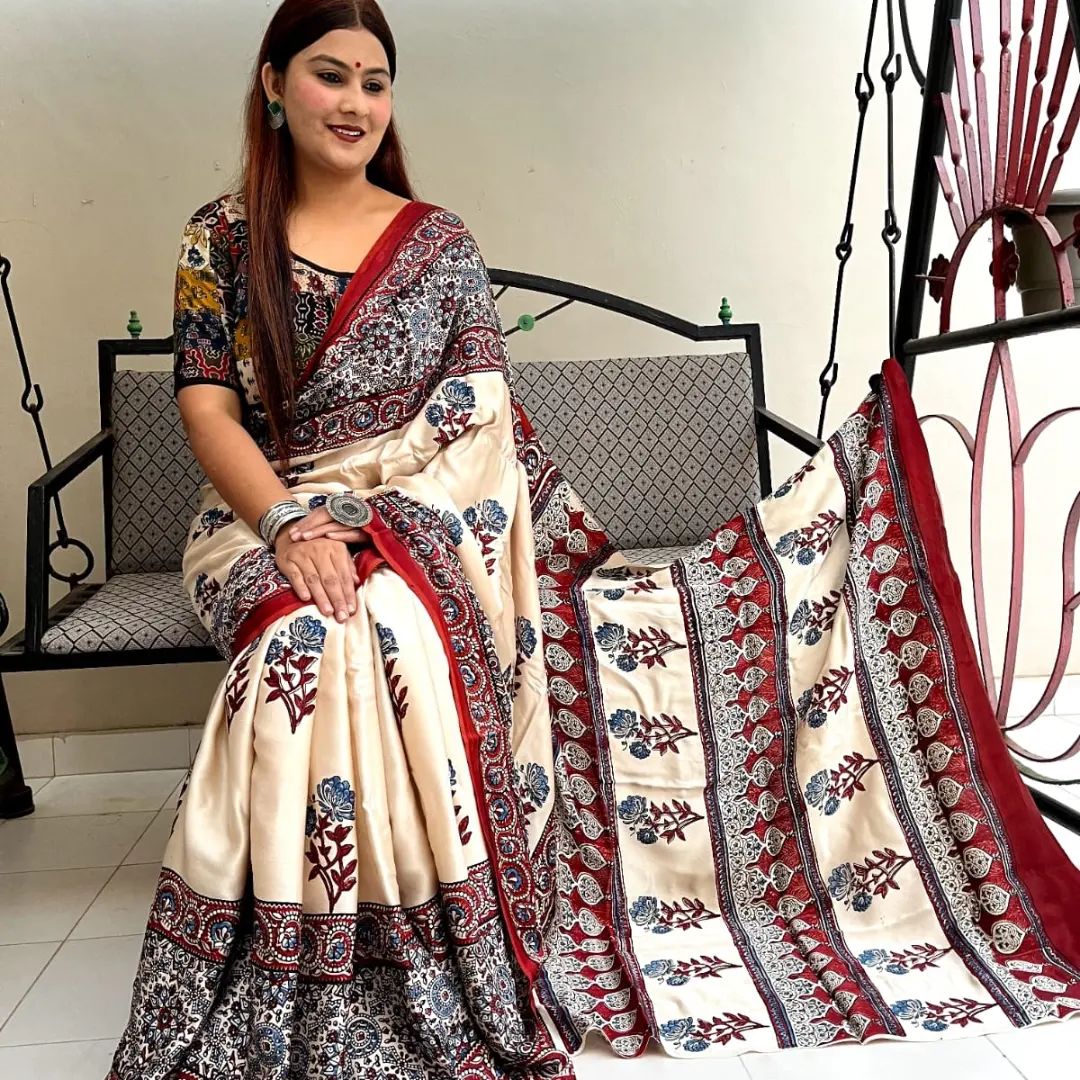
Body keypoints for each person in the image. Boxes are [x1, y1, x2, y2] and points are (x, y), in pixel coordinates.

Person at [109, 1, 1080, 1077]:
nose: (355, 103)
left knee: (376, 629)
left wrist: (381, 528)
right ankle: (302, 964)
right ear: (274, 84)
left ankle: (404, 955)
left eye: (375, 82)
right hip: (259, 517)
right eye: (330, 75)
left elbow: (475, 426)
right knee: (304, 642)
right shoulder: (220, 237)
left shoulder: (436, 243)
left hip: (419, 520)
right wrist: (291, 524)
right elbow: (208, 411)